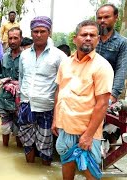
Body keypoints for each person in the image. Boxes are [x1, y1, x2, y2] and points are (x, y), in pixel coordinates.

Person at [52, 20, 114, 180]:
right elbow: (59, 92)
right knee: (67, 166)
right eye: (84, 34)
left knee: (91, 173)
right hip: (65, 128)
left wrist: (88, 135)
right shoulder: (65, 63)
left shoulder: (102, 66)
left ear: (98, 39)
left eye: (92, 35)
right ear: (75, 38)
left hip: (87, 131)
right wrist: (55, 120)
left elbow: (102, 104)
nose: (88, 38)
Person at [18, 16, 67, 166]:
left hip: (46, 107)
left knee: (45, 146)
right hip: (26, 105)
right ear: (31, 33)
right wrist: (20, 102)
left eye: (42, 31)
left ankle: (44, 169)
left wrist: (58, 113)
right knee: (26, 143)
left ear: (49, 32)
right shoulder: (24, 55)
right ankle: (30, 170)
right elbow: (21, 78)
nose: (38, 35)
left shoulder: (59, 56)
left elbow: (63, 85)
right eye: (35, 31)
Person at [96, 4, 127, 153]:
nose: (102, 20)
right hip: (92, 90)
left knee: (111, 128)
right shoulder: (91, 39)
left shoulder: (122, 42)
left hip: (112, 91)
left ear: (115, 18)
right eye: (99, 17)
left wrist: (113, 94)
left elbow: (122, 69)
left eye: (106, 17)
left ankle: (109, 157)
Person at [0, 27, 22, 147]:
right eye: (10, 38)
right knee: (4, 130)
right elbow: (2, 75)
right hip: (4, 99)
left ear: (20, 39)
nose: (12, 41)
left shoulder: (25, 57)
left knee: (19, 133)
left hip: (19, 102)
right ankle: (5, 149)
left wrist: (17, 84)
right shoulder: (5, 57)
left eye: (15, 38)